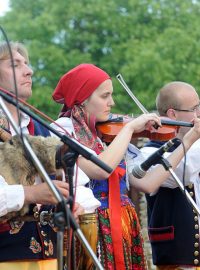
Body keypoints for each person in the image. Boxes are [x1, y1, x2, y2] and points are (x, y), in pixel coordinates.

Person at [52, 64, 200, 270]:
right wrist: (130, 128)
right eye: (105, 96)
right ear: (83, 98)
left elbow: (148, 183)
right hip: (89, 225)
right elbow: (100, 168)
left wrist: (190, 139)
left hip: (121, 225)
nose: (112, 102)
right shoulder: (64, 129)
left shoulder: (110, 136)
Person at [0, 41, 85, 270]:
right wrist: (32, 193)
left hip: (49, 256)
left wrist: (68, 203)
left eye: (26, 64)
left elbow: (63, 181)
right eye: (15, 65)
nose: (29, 71)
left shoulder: (39, 128)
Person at [133, 81, 200, 269]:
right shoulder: (148, 153)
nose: (199, 113)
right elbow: (183, 172)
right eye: (194, 108)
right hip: (175, 256)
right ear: (172, 114)